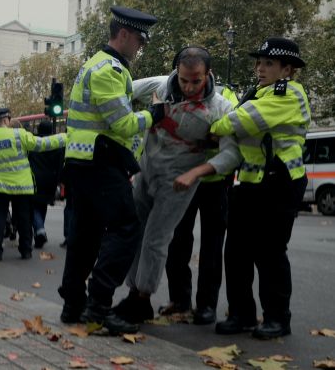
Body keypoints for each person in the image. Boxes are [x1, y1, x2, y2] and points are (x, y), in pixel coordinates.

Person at [113, 47, 241, 324]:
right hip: (146, 172)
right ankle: (133, 293)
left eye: (196, 80)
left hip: (179, 182)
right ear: (177, 72)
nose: (189, 87)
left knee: (157, 238)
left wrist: (195, 173)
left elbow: (232, 154)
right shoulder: (159, 86)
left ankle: (141, 298)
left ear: (208, 74)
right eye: (184, 80)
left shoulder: (220, 108)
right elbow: (122, 92)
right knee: (135, 231)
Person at [57, 6, 158, 335]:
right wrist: (154, 114)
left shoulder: (96, 64)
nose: (140, 47)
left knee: (85, 235)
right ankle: (98, 305)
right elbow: (124, 124)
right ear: (124, 34)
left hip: (84, 161)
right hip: (99, 161)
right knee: (127, 227)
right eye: (140, 40)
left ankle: (73, 305)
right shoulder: (110, 70)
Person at [211, 37, 310, 339]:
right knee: (237, 252)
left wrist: (215, 127)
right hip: (251, 181)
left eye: (268, 63)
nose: (260, 68)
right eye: (258, 62)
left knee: (270, 253)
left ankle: (278, 318)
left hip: (281, 182)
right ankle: (241, 315)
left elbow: (238, 122)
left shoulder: (289, 93)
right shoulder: (258, 92)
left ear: (287, 69)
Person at [158, 74, 240, 325]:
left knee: (212, 247)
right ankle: (179, 300)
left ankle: (206, 305)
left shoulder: (225, 95)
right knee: (177, 241)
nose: (189, 84)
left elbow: (230, 129)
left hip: (215, 181)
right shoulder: (172, 94)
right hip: (182, 179)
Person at [0, 108, 66, 261]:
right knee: (24, 219)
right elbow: (43, 144)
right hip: (23, 186)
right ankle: (26, 250)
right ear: (7, 120)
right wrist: (66, 137)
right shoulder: (19, 135)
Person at [28, 120, 65, 248]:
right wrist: (59, 181)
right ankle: (39, 234)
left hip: (35, 178)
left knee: (33, 206)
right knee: (42, 206)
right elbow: (60, 164)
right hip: (51, 180)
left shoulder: (33, 143)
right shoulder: (57, 144)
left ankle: (40, 230)